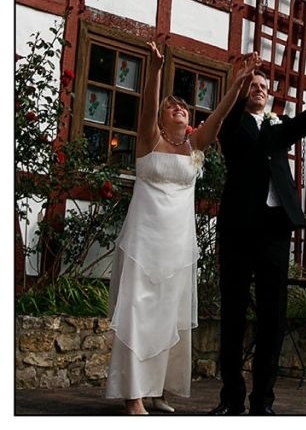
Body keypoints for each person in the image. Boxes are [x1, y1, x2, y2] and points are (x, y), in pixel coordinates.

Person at [105, 41, 262, 415]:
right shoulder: (150, 141)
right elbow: (147, 107)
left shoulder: (194, 146)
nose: (180, 108)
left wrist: (239, 82)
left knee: (168, 315)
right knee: (139, 312)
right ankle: (133, 393)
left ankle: (158, 389)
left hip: (178, 242)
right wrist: (156, 70)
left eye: (184, 107)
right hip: (144, 239)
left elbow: (219, 117)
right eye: (172, 106)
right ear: (163, 118)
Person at [210, 60, 306, 416]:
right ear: (242, 93)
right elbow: (235, 124)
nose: (260, 89)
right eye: (253, 85)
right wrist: (238, 83)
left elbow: (305, 123)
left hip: (275, 228)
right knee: (233, 312)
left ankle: (263, 401)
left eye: (264, 86)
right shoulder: (233, 125)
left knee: (273, 317)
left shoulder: (277, 125)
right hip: (239, 229)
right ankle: (231, 399)